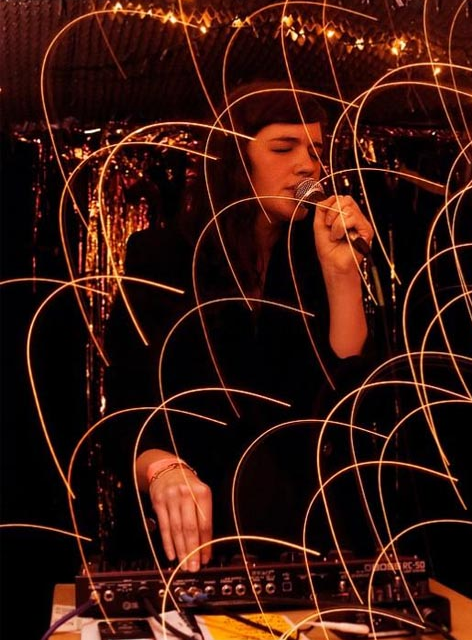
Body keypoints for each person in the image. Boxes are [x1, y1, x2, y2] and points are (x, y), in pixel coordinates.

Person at [103, 80, 375, 572]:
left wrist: (342, 277)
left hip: (289, 535)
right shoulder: (163, 255)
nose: (308, 166)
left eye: (316, 151)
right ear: (236, 160)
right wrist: (161, 467)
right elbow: (125, 408)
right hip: (182, 542)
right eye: (284, 148)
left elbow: (343, 397)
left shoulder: (312, 259)